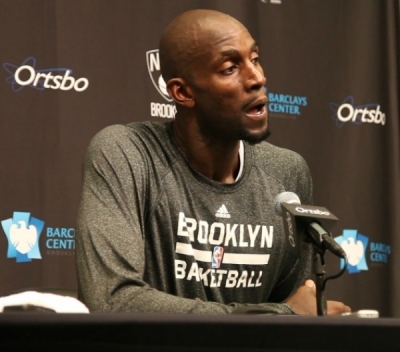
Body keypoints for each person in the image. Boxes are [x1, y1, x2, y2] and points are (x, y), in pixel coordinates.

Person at [75, 9, 350, 315]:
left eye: (255, 58)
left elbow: (300, 306)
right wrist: (275, 316)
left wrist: (287, 315)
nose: (258, 78)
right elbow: (111, 300)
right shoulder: (127, 155)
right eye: (231, 68)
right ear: (183, 92)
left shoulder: (286, 172)